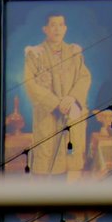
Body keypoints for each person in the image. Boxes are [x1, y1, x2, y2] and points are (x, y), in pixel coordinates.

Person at [21, 13, 93, 177]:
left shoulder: (75, 53)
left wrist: (72, 98)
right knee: (45, 161)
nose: (57, 29)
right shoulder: (35, 54)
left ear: (65, 29)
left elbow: (84, 77)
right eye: (53, 25)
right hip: (48, 115)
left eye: (61, 25)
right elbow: (30, 83)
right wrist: (55, 103)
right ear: (45, 29)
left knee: (72, 161)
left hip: (72, 113)